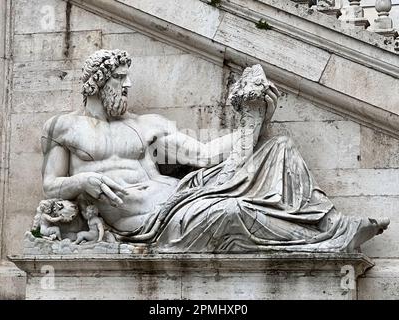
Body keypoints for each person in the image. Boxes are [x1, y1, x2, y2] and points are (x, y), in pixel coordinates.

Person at [41, 49, 389, 253]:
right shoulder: (66, 127)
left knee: (278, 147)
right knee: (234, 211)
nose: (128, 84)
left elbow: (205, 156)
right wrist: (83, 181)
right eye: (120, 77)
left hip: (181, 196)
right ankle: (325, 239)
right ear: (99, 83)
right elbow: (50, 185)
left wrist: (256, 122)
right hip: (150, 223)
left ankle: (328, 222)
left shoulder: (146, 124)